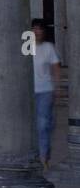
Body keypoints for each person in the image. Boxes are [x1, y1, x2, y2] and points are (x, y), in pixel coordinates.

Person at [31, 19, 63, 169]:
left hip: (45, 90)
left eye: (39, 29)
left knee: (43, 124)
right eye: (33, 29)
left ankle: (43, 157)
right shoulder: (26, 48)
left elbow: (56, 68)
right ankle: (34, 154)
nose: (36, 32)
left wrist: (57, 87)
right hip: (29, 92)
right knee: (32, 125)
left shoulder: (49, 48)